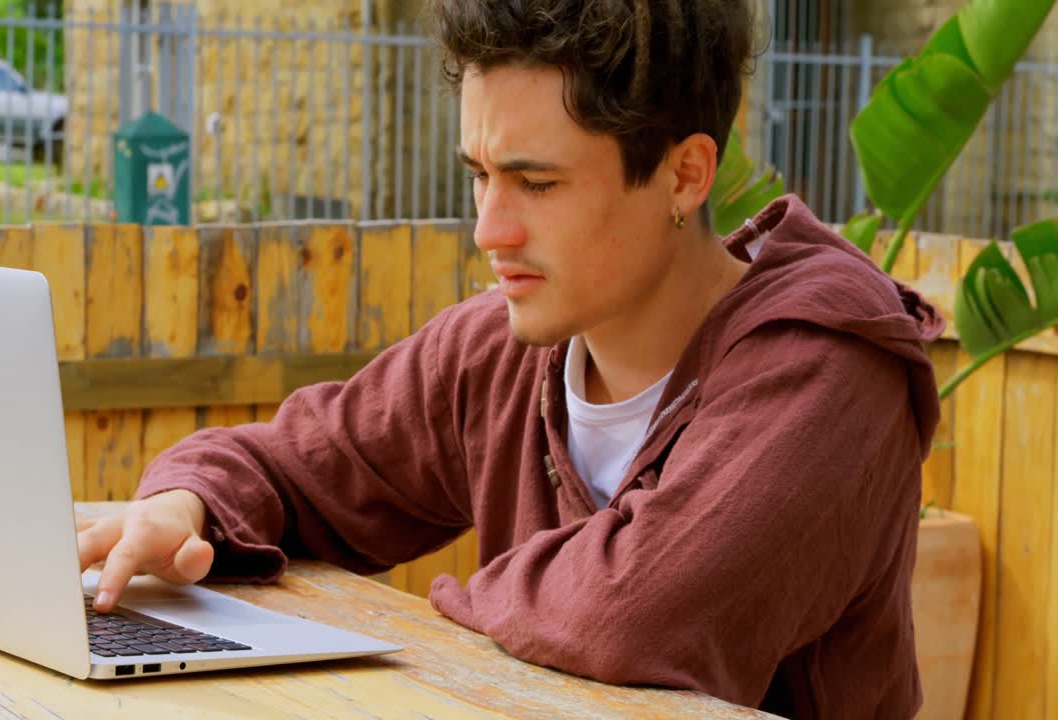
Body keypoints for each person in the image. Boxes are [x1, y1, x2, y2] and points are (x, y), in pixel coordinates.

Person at [76, 1, 943, 716]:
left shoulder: (830, 370)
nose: (491, 229)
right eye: (480, 176)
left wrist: (449, 611)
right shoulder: (502, 347)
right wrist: (186, 505)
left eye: (537, 183)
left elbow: (628, 616)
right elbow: (295, 467)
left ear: (685, 176)